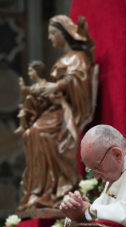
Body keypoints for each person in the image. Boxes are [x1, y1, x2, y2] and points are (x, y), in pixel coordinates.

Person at [17, 15, 97, 211]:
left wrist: (57, 87)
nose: (51, 38)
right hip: (54, 109)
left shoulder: (78, 58)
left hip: (66, 112)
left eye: (53, 33)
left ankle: (53, 189)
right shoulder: (62, 59)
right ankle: (39, 190)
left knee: (38, 131)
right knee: (30, 132)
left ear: (64, 34)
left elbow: (78, 81)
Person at [15, 61, 48, 134]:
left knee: (28, 98)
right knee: (24, 108)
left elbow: (35, 92)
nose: (28, 73)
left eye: (30, 71)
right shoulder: (35, 85)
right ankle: (22, 125)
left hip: (41, 107)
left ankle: (22, 125)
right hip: (36, 106)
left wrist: (24, 88)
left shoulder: (43, 84)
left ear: (37, 71)